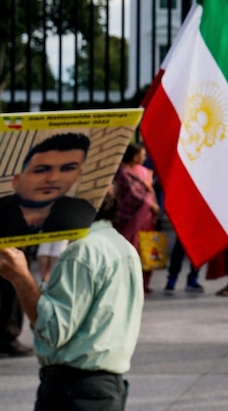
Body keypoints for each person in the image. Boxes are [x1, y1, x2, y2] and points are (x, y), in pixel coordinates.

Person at [0, 189, 144, 410]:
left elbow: (53, 329)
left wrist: (21, 277)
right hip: (105, 386)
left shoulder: (82, 250)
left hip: (75, 389)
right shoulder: (120, 244)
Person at [1, 132, 96, 358]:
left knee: (11, 288)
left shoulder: (75, 210)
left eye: (67, 168)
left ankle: (7, 335)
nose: (53, 178)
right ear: (18, 179)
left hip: (16, 253)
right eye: (42, 169)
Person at [113, 143, 160, 295]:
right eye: (142, 154)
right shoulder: (122, 173)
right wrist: (149, 203)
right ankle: (129, 284)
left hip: (146, 218)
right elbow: (133, 195)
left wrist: (153, 204)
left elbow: (149, 191)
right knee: (131, 249)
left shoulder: (143, 171)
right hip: (130, 219)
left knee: (146, 248)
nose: (144, 157)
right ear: (134, 156)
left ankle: (144, 284)